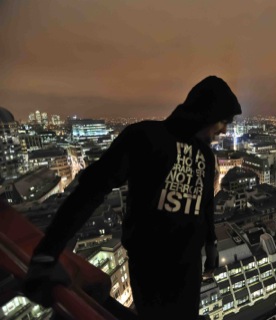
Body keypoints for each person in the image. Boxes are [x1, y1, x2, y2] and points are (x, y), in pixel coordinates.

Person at [23, 75, 242, 319]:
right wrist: (47, 252)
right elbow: (92, 189)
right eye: (223, 121)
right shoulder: (146, 137)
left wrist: (210, 243)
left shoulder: (206, 156)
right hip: (150, 265)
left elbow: (205, 204)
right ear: (206, 112)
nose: (224, 130)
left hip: (188, 266)